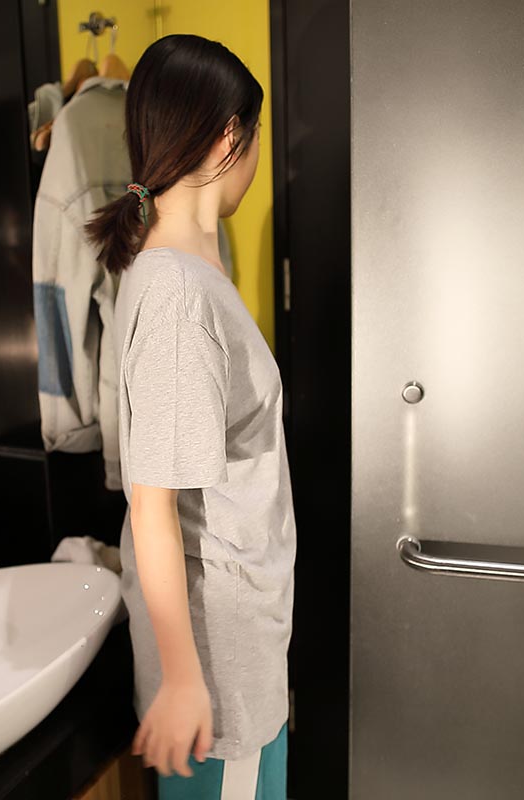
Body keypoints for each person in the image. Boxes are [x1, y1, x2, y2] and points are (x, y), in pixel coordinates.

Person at [86, 34, 295, 798]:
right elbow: (153, 502)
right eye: (256, 137)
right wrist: (182, 679)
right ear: (231, 137)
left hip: (234, 637)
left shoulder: (189, 270)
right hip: (218, 667)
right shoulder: (178, 294)